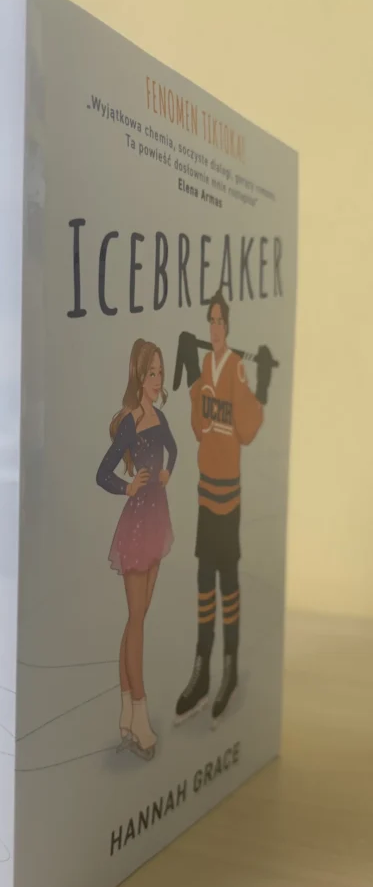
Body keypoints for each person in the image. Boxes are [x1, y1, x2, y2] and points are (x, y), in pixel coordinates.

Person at [174, 290, 269, 727]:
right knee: (203, 579)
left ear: (227, 327)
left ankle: (229, 667)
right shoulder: (209, 369)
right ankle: (202, 668)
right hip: (204, 493)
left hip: (228, 496)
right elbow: (199, 426)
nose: (214, 327)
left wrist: (262, 383)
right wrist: (194, 371)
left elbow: (246, 430)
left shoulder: (235, 368)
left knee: (227, 580)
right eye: (210, 320)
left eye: (219, 321)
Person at [96, 339, 177, 759]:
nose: (157, 379)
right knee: (137, 619)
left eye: (160, 372)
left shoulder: (160, 417)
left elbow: (174, 450)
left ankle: (127, 712)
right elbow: (102, 472)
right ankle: (140, 714)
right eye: (151, 373)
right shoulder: (130, 422)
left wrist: (167, 472)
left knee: (138, 617)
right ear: (138, 376)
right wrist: (127, 487)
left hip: (157, 519)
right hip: (136, 525)